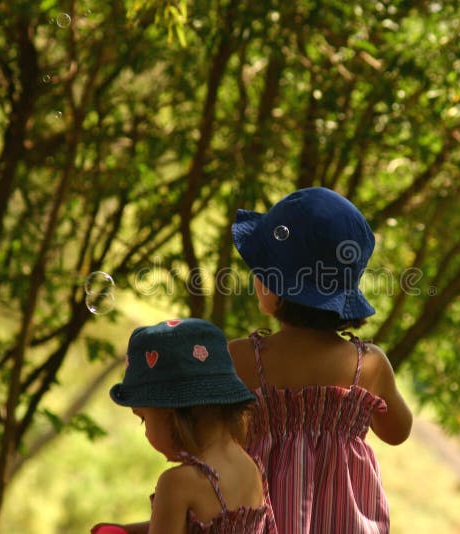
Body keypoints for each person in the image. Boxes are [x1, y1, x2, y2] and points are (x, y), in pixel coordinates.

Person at [228, 187, 414, 534]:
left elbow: (212, 439)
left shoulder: (242, 358)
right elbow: (397, 431)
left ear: (275, 283)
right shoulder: (369, 366)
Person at [91, 318, 278, 534]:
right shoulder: (249, 466)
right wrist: (126, 530)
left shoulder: (176, 484)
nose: (145, 431)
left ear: (172, 415)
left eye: (143, 418)